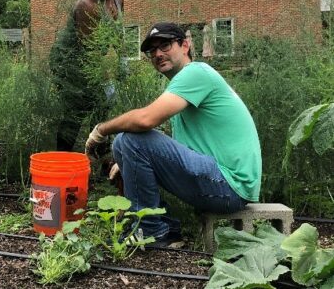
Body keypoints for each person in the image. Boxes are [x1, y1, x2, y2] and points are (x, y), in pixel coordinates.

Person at [85, 22, 261, 247]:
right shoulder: (182, 89)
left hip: (230, 186)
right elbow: (173, 152)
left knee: (128, 139)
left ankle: (151, 230)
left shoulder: (197, 72)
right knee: (125, 145)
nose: (158, 54)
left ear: (185, 45)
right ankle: (164, 228)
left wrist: (101, 130)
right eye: (152, 51)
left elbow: (145, 120)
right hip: (223, 185)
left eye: (166, 45)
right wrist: (128, 161)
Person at [50, 0, 124, 153]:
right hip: (72, 62)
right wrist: (106, 80)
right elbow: (89, 52)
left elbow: (118, 31)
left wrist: (122, 60)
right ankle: (61, 159)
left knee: (102, 111)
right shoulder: (86, 5)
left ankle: (102, 164)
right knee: (76, 112)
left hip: (94, 57)